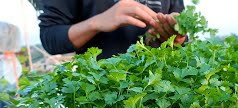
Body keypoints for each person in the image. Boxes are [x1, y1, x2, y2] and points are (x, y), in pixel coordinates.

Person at [39, 0, 186, 59]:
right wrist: (96, 23)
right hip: (100, 95)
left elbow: (182, 43)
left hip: (162, 91)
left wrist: (177, 38)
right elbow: (49, 37)